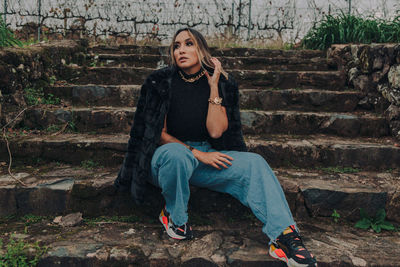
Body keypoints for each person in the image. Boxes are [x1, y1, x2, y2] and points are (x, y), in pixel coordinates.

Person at [115, 28, 317, 267]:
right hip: (165, 157)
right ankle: (174, 217)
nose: (181, 50)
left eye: (188, 44)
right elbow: (157, 134)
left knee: (255, 163)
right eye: (176, 46)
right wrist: (196, 153)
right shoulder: (160, 82)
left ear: (202, 49)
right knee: (178, 156)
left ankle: (284, 236)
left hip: (203, 156)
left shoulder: (222, 85)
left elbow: (215, 131)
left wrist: (213, 86)